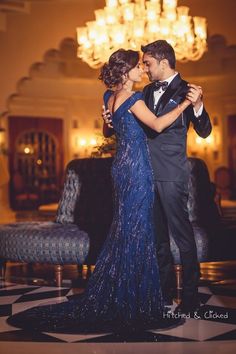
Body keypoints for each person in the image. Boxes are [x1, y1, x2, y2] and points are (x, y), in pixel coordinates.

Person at [7, 49, 191, 334]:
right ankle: (134, 298)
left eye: (144, 66)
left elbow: (110, 131)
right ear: (126, 72)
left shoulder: (108, 97)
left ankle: (128, 289)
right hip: (137, 170)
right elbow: (156, 124)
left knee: (126, 228)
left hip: (120, 168)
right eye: (138, 67)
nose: (142, 70)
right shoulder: (134, 97)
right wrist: (184, 105)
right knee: (137, 230)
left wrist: (108, 120)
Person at [103, 40, 212, 315]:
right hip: (142, 174)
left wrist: (197, 106)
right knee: (158, 239)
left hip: (172, 175)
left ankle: (190, 297)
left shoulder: (189, 91)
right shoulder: (144, 92)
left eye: (148, 63)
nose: (146, 69)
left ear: (164, 63)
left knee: (183, 238)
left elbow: (205, 131)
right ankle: (163, 293)